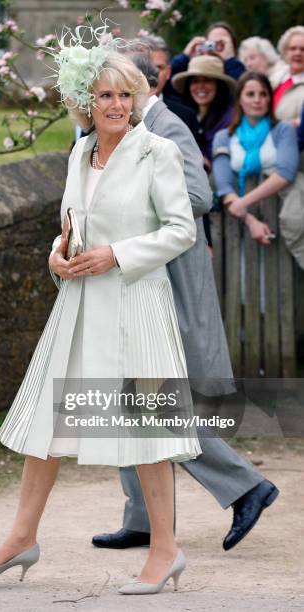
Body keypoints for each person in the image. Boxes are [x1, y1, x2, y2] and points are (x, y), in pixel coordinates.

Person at [0, 28, 201, 596]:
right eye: (103, 96)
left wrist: (117, 254)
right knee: (47, 421)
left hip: (136, 303)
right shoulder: (80, 151)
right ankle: (21, 537)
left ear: (137, 99)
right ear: (86, 103)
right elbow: (71, 227)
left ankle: (165, 551)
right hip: (78, 304)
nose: (115, 106)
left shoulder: (156, 152)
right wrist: (57, 255)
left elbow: (181, 230)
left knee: (147, 430)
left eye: (124, 95)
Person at [93, 54, 279, 554]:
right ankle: (143, 517)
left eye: (116, 86)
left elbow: (198, 194)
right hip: (129, 277)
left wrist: (131, 206)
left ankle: (245, 486)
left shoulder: (165, 125)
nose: (108, 96)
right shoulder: (124, 126)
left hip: (165, 282)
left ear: (138, 84)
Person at [213, 71, 299, 231]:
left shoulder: (283, 130)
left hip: (280, 215)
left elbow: (285, 173)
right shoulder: (223, 137)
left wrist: (243, 202)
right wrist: (250, 220)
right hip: (238, 223)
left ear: (270, 99)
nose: (257, 100)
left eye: (263, 94)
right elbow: (224, 186)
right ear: (239, 99)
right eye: (250, 94)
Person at [171, 54, 236, 247]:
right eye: (195, 81)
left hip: (226, 203)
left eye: (207, 81)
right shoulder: (182, 116)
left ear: (219, 85)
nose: (200, 87)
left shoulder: (230, 118)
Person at [169, 21, 245, 97]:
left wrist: (230, 60)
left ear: (233, 48)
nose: (216, 49)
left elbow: (243, 92)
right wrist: (184, 57)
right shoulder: (194, 75)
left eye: (223, 44)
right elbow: (167, 85)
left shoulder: (238, 70)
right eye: (212, 44)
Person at [273, 26, 304, 125]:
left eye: (303, 49)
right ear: (285, 52)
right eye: (293, 48)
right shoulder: (275, 77)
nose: (298, 53)